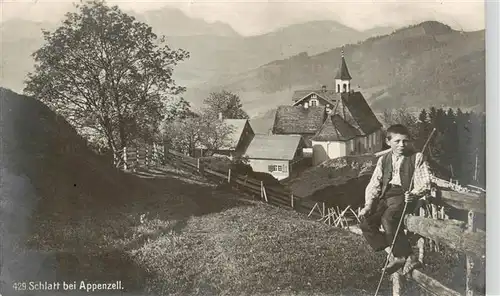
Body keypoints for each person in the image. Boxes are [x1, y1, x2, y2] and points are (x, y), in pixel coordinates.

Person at [359, 124, 432, 275]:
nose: (401, 145)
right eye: (397, 141)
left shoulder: (416, 157)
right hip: (385, 196)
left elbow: (425, 182)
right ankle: (396, 253)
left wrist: (414, 193)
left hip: (404, 196)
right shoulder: (384, 159)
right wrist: (368, 205)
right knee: (366, 222)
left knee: (389, 218)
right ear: (388, 142)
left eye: (405, 141)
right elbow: (374, 184)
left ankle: (405, 256)